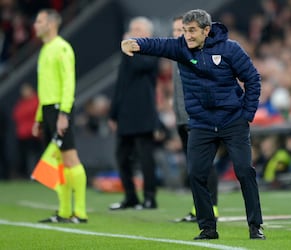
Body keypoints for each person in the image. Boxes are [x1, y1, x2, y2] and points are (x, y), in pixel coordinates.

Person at [121, 9, 265, 240]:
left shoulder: (230, 49)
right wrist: (136, 43)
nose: (186, 35)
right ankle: (208, 228)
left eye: (192, 31)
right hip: (201, 123)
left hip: (231, 121)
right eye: (185, 30)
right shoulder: (180, 47)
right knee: (196, 174)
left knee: (244, 170)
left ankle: (255, 226)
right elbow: (158, 45)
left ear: (206, 31)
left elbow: (252, 78)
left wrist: (247, 113)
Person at [31, 9, 88, 223]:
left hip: (59, 109)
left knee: (70, 157)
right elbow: (44, 88)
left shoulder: (62, 47)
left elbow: (68, 82)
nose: (35, 25)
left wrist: (64, 112)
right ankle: (64, 211)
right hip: (47, 109)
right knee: (59, 162)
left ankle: (80, 212)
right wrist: (39, 117)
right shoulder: (45, 49)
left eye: (39, 20)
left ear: (52, 24)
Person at [108, 16, 160, 210]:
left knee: (146, 157)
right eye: (132, 29)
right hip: (125, 114)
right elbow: (120, 85)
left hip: (143, 112)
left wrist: (131, 47)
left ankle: (149, 197)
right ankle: (130, 196)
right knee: (121, 157)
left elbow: (141, 66)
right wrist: (113, 114)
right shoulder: (126, 54)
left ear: (148, 33)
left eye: (138, 29)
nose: (134, 33)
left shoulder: (153, 49)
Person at [171, 15, 219, 222]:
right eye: (175, 31)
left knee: (204, 164)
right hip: (182, 117)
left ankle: (212, 207)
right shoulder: (177, 54)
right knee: (194, 165)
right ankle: (198, 207)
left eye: (182, 30)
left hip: (197, 118)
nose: (178, 35)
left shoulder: (199, 54)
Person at [12, 83, 42, 178]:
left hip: (34, 133)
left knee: (38, 155)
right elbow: (16, 114)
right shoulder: (21, 103)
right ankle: (24, 175)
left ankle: (39, 175)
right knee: (23, 157)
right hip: (22, 134)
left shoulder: (36, 100)